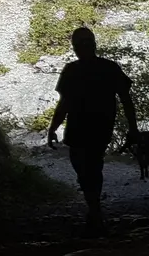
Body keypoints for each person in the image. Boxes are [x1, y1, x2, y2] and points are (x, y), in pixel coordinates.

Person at [45, 27, 138, 233]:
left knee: (85, 166)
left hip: (81, 127)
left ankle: (94, 208)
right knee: (91, 165)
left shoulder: (73, 70)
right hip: (99, 126)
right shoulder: (109, 68)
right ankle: (94, 206)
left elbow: (64, 103)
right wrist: (133, 128)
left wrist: (53, 128)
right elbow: (126, 100)